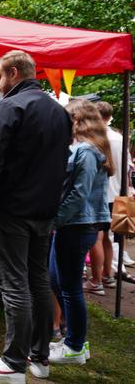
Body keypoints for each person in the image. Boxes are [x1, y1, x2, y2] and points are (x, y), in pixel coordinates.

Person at [0, 50, 72, 383]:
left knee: (16, 284)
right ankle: (39, 358)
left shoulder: (10, 106)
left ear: (13, 73)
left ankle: (13, 363)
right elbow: (62, 162)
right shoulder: (59, 111)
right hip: (44, 208)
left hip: (11, 209)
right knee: (37, 280)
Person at [49, 100, 113, 365]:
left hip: (76, 225)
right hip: (75, 225)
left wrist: (56, 220)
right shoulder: (86, 149)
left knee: (70, 286)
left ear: (77, 120)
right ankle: (76, 339)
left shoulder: (86, 151)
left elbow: (79, 194)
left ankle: (75, 345)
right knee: (57, 280)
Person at [86, 101, 133, 294]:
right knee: (110, 238)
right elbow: (129, 167)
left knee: (97, 237)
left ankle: (96, 280)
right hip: (118, 195)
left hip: (100, 195)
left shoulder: (98, 139)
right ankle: (108, 276)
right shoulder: (120, 138)